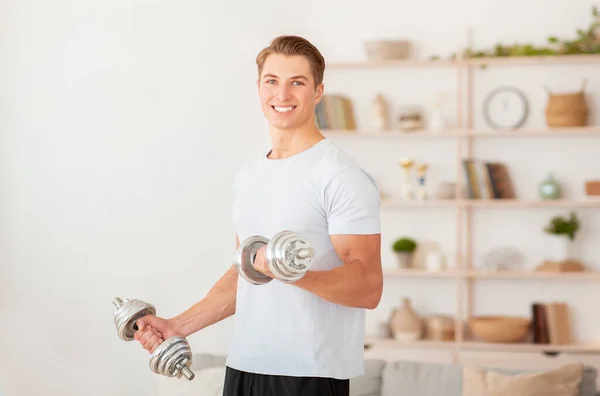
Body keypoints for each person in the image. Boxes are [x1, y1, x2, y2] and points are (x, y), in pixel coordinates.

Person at [133, 35, 383, 396]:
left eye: (297, 82)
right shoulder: (250, 175)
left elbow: (368, 286)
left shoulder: (340, 175)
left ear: (318, 91)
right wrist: (177, 325)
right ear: (259, 88)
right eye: (272, 81)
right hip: (246, 366)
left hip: (308, 374)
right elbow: (245, 274)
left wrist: (290, 273)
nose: (282, 95)